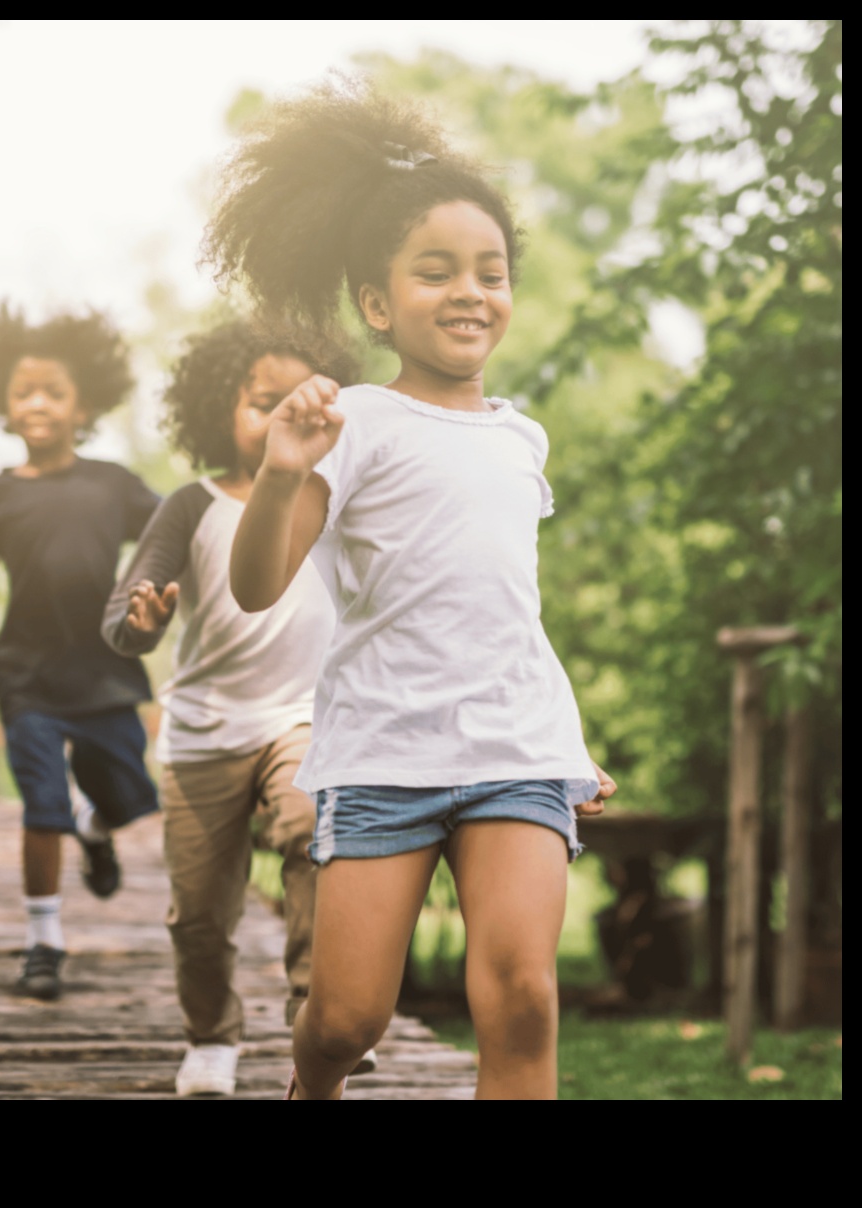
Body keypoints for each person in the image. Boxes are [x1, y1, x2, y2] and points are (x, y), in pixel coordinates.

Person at [211, 82, 617, 1100]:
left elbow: (501, 606)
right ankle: (313, 1084)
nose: (470, 290)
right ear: (379, 303)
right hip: (385, 751)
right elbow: (256, 584)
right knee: (347, 1017)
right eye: (435, 272)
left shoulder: (522, 436)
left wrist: (565, 740)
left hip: (513, 750)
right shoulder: (353, 421)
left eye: (491, 270)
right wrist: (280, 469)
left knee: (521, 996)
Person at [102, 318, 364, 1096]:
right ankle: (211, 1035)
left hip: (303, 718)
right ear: (223, 408)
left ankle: (317, 1015)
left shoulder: (337, 501)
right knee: (200, 912)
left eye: (299, 399)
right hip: (205, 729)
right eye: (261, 401)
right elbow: (125, 609)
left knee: (314, 836)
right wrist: (139, 620)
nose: (281, 414)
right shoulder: (192, 504)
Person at [0, 303, 160, 1002]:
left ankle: (96, 825)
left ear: (84, 404)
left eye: (54, 391)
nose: (39, 403)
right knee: (40, 804)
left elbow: (176, 533)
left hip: (107, 670)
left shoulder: (113, 483)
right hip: (27, 677)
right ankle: (43, 942)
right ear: (4, 405)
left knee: (131, 795)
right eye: (25, 392)